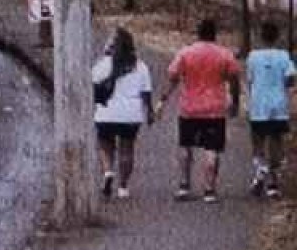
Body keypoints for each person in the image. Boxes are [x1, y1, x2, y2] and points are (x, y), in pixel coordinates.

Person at [162, 17, 243, 202]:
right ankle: (209, 189)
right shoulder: (224, 54)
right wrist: (235, 102)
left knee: (185, 145)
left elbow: (173, 76)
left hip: (189, 107)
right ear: (215, 34)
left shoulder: (186, 53)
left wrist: (164, 98)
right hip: (214, 108)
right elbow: (234, 79)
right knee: (211, 148)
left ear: (198, 33)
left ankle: (184, 185)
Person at [92, 27, 154, 199]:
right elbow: (146, 93)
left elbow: (93, 88)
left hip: (106, 113)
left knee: (105, 145)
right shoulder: (140, 66)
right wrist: (149, 112)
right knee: (127, 149)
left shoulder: (102, 65)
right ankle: (123, 187)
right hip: (131, 114)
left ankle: (107, 172)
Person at [245, 21, 295, 198]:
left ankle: (260, 169)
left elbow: (250, 80)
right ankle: (273, 183)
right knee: (276, 143)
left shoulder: (252, 56)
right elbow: (290, 79)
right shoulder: (284, 56)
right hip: (278, 106)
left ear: (261, 36)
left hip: (258, 105)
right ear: (277, 37)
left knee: (257, 142)